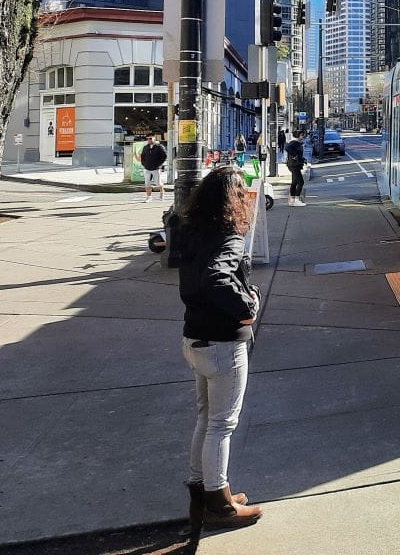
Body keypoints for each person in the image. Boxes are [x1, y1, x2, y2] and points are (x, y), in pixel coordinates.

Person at [179, 166, 264, 530]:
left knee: (205, 417)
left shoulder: (193, 232)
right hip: (222, 345)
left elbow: (197, 281)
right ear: (233, 200)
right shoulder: (228, 237)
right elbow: (217, 278)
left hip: (194, 339)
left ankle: (202, 487)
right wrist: (247, 309)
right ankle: (220, 502)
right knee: (222, 424)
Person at [140, 134, 167, 202]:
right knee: (147, 183)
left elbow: (164, 156)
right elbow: (142, 156)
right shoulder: (146, 147)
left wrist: (159, 164)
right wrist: (143, 163)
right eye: (148, 139)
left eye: (150, 138)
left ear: (154, 139)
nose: (149, 140)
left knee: (158, 183)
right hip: (147, 168)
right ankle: (149, 197)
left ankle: (162, 193)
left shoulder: (159, 147)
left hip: (156, 168)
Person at [284, 135, 306, 207]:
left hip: (296, 164)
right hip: (294, 165)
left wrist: (303, 159)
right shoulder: (294, 142)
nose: (303, 137)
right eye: (301, 135)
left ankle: (292, 200)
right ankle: (296, 199)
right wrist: (293, 155)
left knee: (294, 182)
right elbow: (287, 147)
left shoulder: (298, 144)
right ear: (298, 136)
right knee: (300, 182)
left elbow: (299, 154)